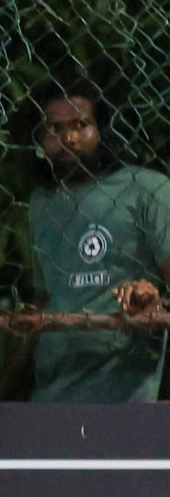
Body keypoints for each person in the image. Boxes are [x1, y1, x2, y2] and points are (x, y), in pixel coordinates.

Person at [21, 77, 170, 402]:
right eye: (55, 128)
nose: (68, 139)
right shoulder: (42, 204)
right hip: (52, 395)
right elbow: (44, 299)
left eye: (80, 125)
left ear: (102, 130)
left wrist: (154, 304)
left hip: (124, 392)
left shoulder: (147, 190)